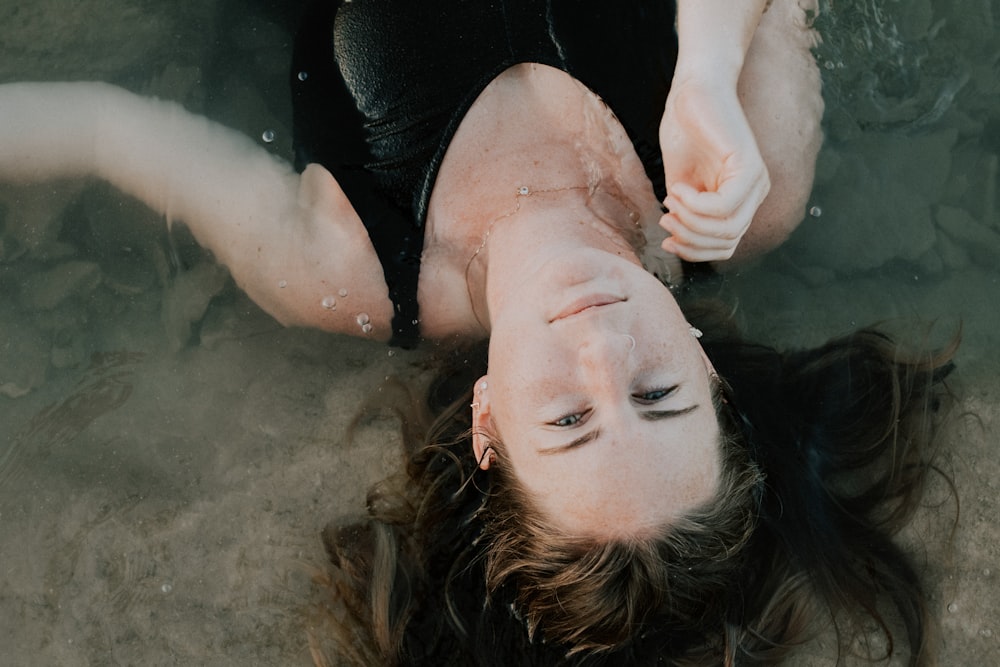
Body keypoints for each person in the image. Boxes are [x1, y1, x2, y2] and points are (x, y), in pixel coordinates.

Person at [0, 0, 955, 664]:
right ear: (710, 373)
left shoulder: (347, 270)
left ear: (486, 424)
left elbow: (101, 129)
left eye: (570, 419)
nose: (601, 347)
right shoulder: (748, 191)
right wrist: (707, 65)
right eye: (658, 397)